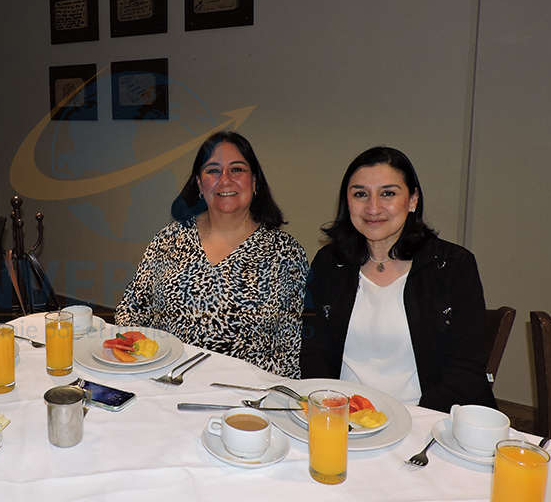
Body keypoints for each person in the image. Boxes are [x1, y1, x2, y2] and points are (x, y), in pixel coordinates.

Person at [300, 146, 495, 412]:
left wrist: (410, 420)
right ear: (347, 202)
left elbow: (465, 369)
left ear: (413, 200)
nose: (373, 207)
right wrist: (332, 409)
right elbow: (314, 353)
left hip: (425, 419)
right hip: (342, 417)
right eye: (360, 194)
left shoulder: (453, 265)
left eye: (388, 193)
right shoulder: (329, 262)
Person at [115, 131, 308, 377]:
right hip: (165, 381)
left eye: (237, 170)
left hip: (243, 398)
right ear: (199, 184)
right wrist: (140, 368)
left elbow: (290, 352)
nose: (225, 180)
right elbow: (130, 311)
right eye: (213, 170)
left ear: (255, 181)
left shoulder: (286, 254)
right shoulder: (169, 239)